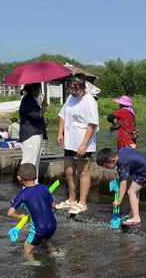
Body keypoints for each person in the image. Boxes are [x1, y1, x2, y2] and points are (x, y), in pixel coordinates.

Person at [55, 76, 99, 215]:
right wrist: (60, 133)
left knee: (83, 172)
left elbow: (92, 124)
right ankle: (72, 199)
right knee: (69, 171)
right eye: (71, 88)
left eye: (76, 88)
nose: (73, 91)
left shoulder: (89, 101)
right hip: (70, 140)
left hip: (83, 141)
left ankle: (82, 202)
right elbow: (62, 116)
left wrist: (84, 144)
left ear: (83, 87)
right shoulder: (70, 98)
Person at [7, 163, 60, 266]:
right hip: (53, 224)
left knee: (27, 249)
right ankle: (55, 253)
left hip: (39, 229)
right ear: (36, 175)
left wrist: (20, 217)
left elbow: (10, 213)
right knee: (46, 241)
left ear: (19, 178)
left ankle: (35, 264)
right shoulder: (44, 189)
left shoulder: (22, 195)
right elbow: (53, 205)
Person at [96, 147, 146, 226]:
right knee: (134, 190)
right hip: (142, 166)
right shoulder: (120, 153)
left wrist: (119, 200)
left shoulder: (122, 163)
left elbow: (123, 184)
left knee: (131, 191)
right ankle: (133, 213)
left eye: (106, 166)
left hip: (144, 171)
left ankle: (136, 218)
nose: (107, 169)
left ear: (112, 160)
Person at [18, 84, 46, 180]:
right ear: (34, 89)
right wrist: (43, 109)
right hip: (31, 135)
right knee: (30, 161)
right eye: (39, 89)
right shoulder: (28, 100)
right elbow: (36, 116)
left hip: (32, 134)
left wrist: (41, 107)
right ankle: (27, 185)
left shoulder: (29, 100)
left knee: (34, 161)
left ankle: (33, 184)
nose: (39, 92)